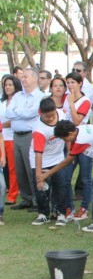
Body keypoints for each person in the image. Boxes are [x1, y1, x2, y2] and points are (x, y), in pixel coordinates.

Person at [38, 120, 93, 232]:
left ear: (70, 133)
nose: (65, 141)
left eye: (65, 139)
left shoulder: (82, 139)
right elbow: (71, 153)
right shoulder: (78, 130)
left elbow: (67, 161)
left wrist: (47, 174)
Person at [4, 68, 44, 210]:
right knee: (19, 168)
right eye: (22, 77)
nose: (23, 79)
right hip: (16, 136)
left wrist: (17, 112)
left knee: (30, 168)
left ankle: (37, 198)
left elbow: (31, 113)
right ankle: (27, 198)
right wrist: (20, 113)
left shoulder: (40, 96)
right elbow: (8, 112)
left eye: (26, 77)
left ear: (35, 78)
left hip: (30, 136)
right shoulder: (18, 96)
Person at [29, 98, 73, 226]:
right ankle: (43, 214)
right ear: (39, 112)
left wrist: (69, 152)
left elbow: (68, 134)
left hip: (58, 157)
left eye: (53, 115)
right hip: (40, 159)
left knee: (61, 185)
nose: (50, 118)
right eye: (47, 116)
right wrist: (39, 178)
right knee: (41, 189)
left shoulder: (62, 115)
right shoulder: (38, 130)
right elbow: (38, 154)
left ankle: (61, 213)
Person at [63, 71, 93, 220]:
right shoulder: (66, 99)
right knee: (67, 177)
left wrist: (71, 104)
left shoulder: (85, 100)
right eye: (68, 83)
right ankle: (69, 207)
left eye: (73, 82)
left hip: (84, 142)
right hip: (70, 142)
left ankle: (84, 207)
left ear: (80, 83)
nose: (70, 86)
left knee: (86, 178)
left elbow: (76, 121)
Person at [1, 76, 21, 205]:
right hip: (1, 138)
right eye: (5, 85)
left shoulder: (19, 101)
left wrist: (2, 125)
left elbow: (16, 119)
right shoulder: (2, 101)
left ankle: (12, 195)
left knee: (13, 168)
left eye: (10, 85)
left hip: (12, 137)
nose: (7, 87)